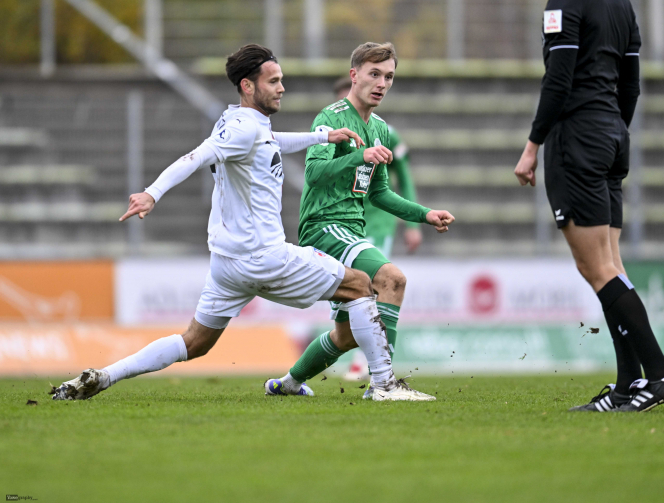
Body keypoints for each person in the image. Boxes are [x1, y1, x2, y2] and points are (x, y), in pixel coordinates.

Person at [52, 44, 431, 403]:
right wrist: (152, 192)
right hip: (265, 256)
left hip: (226, 265)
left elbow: (271, 140)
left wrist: (321, 135)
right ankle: (383, 384)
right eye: (273, 81)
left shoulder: (247, 123)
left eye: (281, 79)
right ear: (247, 86)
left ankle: (104, 376)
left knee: (194, 342)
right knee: (362, 285)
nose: (282, 88)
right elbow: (197, 155)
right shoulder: (243, 129)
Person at [514, 0, 664, 412]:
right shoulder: (620, 0)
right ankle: (629, 386)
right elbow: (631, 85)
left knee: (597, 270)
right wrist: (612, 130)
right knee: (611, 266)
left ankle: (660, 373)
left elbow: (559, 78)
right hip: (612, 135)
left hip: (579, 139)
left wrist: (533, 146)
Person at [266, 42, 455, 400]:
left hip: (351, 229)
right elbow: (315, 173)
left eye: (389, 76)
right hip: (324, 226)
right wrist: (359, 156)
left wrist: (424, 215)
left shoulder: (380, 128)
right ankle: (384, 385)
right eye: (374, 74)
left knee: (346, 336)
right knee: (393, 279)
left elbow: (380, 194)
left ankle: (288, 384)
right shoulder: (331, 117)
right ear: (354, 75)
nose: (382, 83)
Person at [330, 77, 423, 381]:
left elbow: (404, 178)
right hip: (343, 221)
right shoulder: (331, 131)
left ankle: (368, 364)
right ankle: (300, 375)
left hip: (378, 220)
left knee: (376, 285)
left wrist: (412, 223)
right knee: (347, 293)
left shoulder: (386, 134)